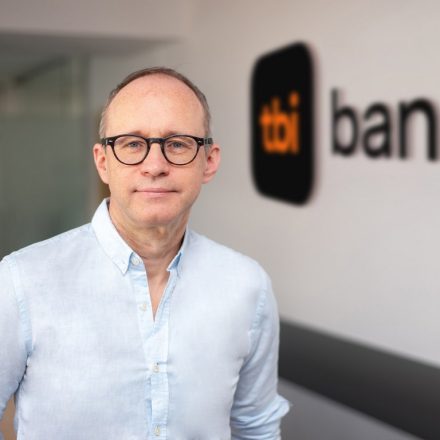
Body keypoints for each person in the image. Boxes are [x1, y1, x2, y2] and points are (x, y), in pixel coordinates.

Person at [0, 67, 289, 439]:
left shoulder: (248, 286)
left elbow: (257, 429)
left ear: (209, 161)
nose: (155, 166)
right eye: (132, 144)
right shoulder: (21, 281)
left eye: (178, 144)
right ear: (103, 162)